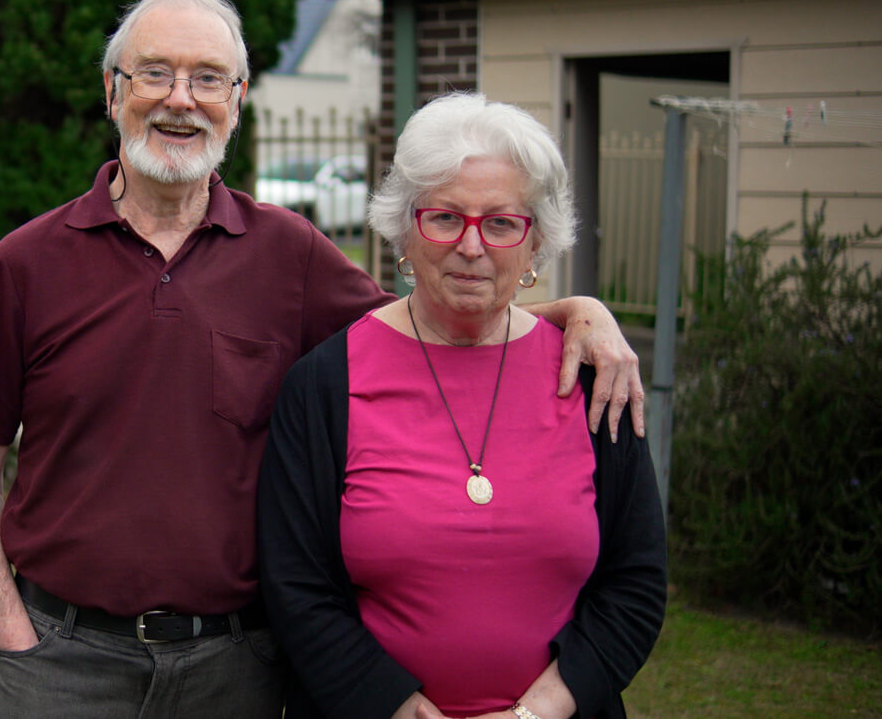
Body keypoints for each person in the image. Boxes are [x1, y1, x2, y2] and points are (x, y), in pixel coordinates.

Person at [0, 0, 646, 718]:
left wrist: (573, 310)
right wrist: (8, 628)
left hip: (236, 672)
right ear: (112, 92)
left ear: (238, 100)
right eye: (155, 72)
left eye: (208, 78)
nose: (181, 99)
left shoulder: (289, 255)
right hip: (62, 663)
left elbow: (434, 318)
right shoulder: (28, 262)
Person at [256, 92, 667, 719]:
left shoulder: (591, 378)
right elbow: (296, 589)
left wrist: (539, 713)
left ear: (535, 245)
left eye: (501, 223)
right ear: (405, 228)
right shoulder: (323, 387)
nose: (471, 246)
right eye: (445, 218)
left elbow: (635, 584)